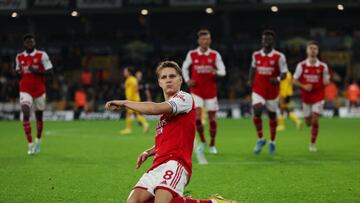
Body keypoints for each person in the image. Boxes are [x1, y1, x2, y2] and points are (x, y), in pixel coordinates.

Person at [105, 61, 236, 203]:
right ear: (159, 82)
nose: (168, 80)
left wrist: (125, 103)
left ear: (180, 79)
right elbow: (166, 141)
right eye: (164, 77)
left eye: (172, 76)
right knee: (133, 201)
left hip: (176, 162)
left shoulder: (184, 98)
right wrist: (148, 152)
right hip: (157, 165)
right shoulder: (164, 116)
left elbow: (154, 108)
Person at [182, 29, 226, 154]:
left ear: (210, 40)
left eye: (207, 39)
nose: (205, 41)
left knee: (212, 119)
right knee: (197, 118)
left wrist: (216, 72)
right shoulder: (192, 54)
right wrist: (187, 80)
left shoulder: (215, 55)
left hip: (210, 91)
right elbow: (184, 67)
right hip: (196, 90)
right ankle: (202, 141)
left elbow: (223, 71)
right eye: (203, 39)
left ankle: (212, 143)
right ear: (199, 41)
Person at [248, 30, 288, 154]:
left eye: (269, 39)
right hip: (258, 88)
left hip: (272, 90)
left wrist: (277, 79)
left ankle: (272, 142)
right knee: (257, 110)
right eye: (264, 39)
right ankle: (261, 139)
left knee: (272, 115)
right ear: (262, 40)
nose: (266, 41)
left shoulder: (279, 56)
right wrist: (250, 80)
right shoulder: (256, 55)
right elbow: (253, 68)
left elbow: (284, 73)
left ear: (273, 41)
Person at [15, 33, 53, 155]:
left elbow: (50, 72)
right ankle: (30, 144)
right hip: (25, 89)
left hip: (39, 90)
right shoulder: (19, 57)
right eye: (27, 42)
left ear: (34, 43)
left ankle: (38, 141)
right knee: (25, 111)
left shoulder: (42, 55)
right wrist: (19, 72)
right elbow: (17, 72)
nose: (29, 44)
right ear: (24, 44)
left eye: (31, 42)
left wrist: (36, 71)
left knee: (39, 117)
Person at [293, 40, 330, 152]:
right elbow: (294, 80)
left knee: (315, 120)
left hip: (318, 96)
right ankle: (310, 126)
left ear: (317, 51)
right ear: (307, 50)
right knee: (308, 122)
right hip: (306, 98)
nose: (313, 50)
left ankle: (312, 144)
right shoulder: (301, 65)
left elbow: (327, 80)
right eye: (311, 48)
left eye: (315, 48)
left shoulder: (323, 66)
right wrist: (303, 86)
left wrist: (326, 82)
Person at [120, 66, 149, 135]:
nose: (124, 72)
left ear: (129, 72)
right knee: (135, 114)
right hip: (135, 99)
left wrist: (128, 101)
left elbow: (131, 91)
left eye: (125, 71)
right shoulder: (133, 79)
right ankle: (144, 124)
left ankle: (129, 129)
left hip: (132, 100)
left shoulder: (130, 80)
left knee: (129, 114)